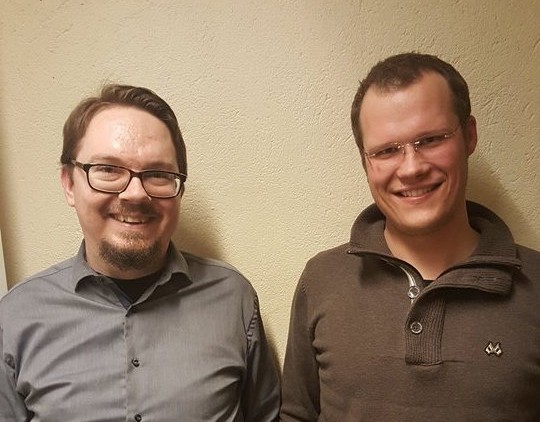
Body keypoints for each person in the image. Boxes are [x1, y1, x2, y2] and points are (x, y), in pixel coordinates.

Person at [280, 52, 540, 421]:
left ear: (469, 136)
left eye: (430, 139)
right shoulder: (321, 280)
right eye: (386, 150)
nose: (411, 168)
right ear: (365, 161)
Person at [0, 84, 280, 421]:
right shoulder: (15, 317)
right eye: (108, 169)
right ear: (69, 184)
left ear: (179, 190)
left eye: (158, 174)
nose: (135, 194)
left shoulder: (234, 299)